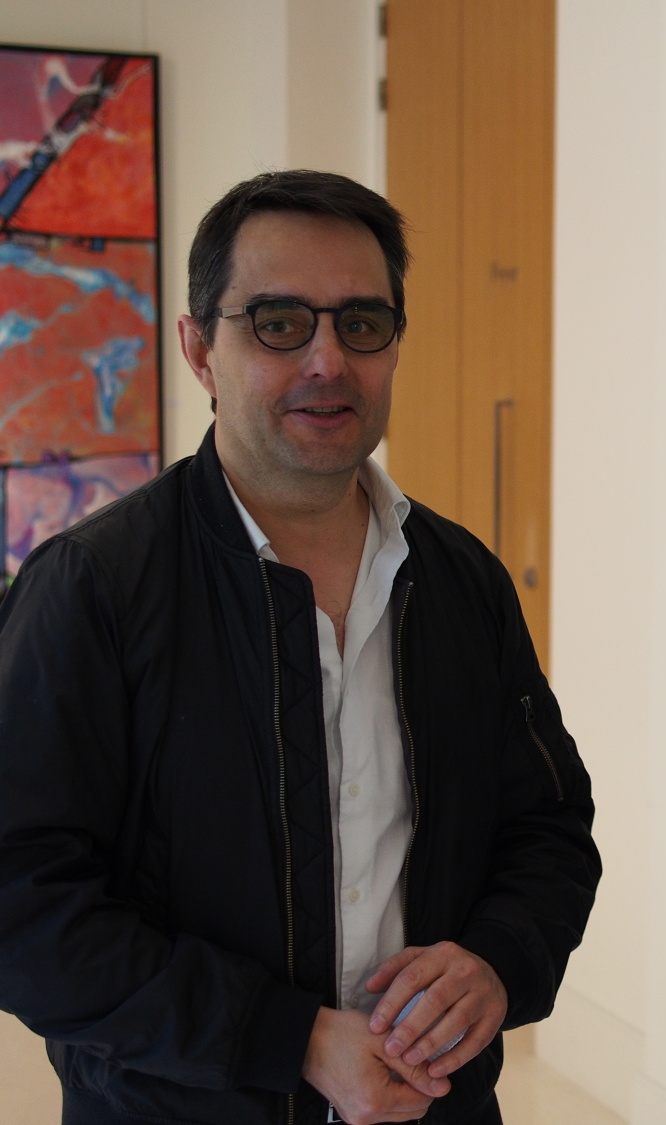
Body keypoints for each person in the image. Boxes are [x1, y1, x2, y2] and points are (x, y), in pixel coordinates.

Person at [0, 170, 601, 1125]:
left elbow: (549, 828)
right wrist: (290, 1038)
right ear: (200, 348)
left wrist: (498, 959)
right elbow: (23, 906)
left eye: (362, 323)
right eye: (278, 322)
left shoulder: (462, 582)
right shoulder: (92, 589)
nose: (329, 360)